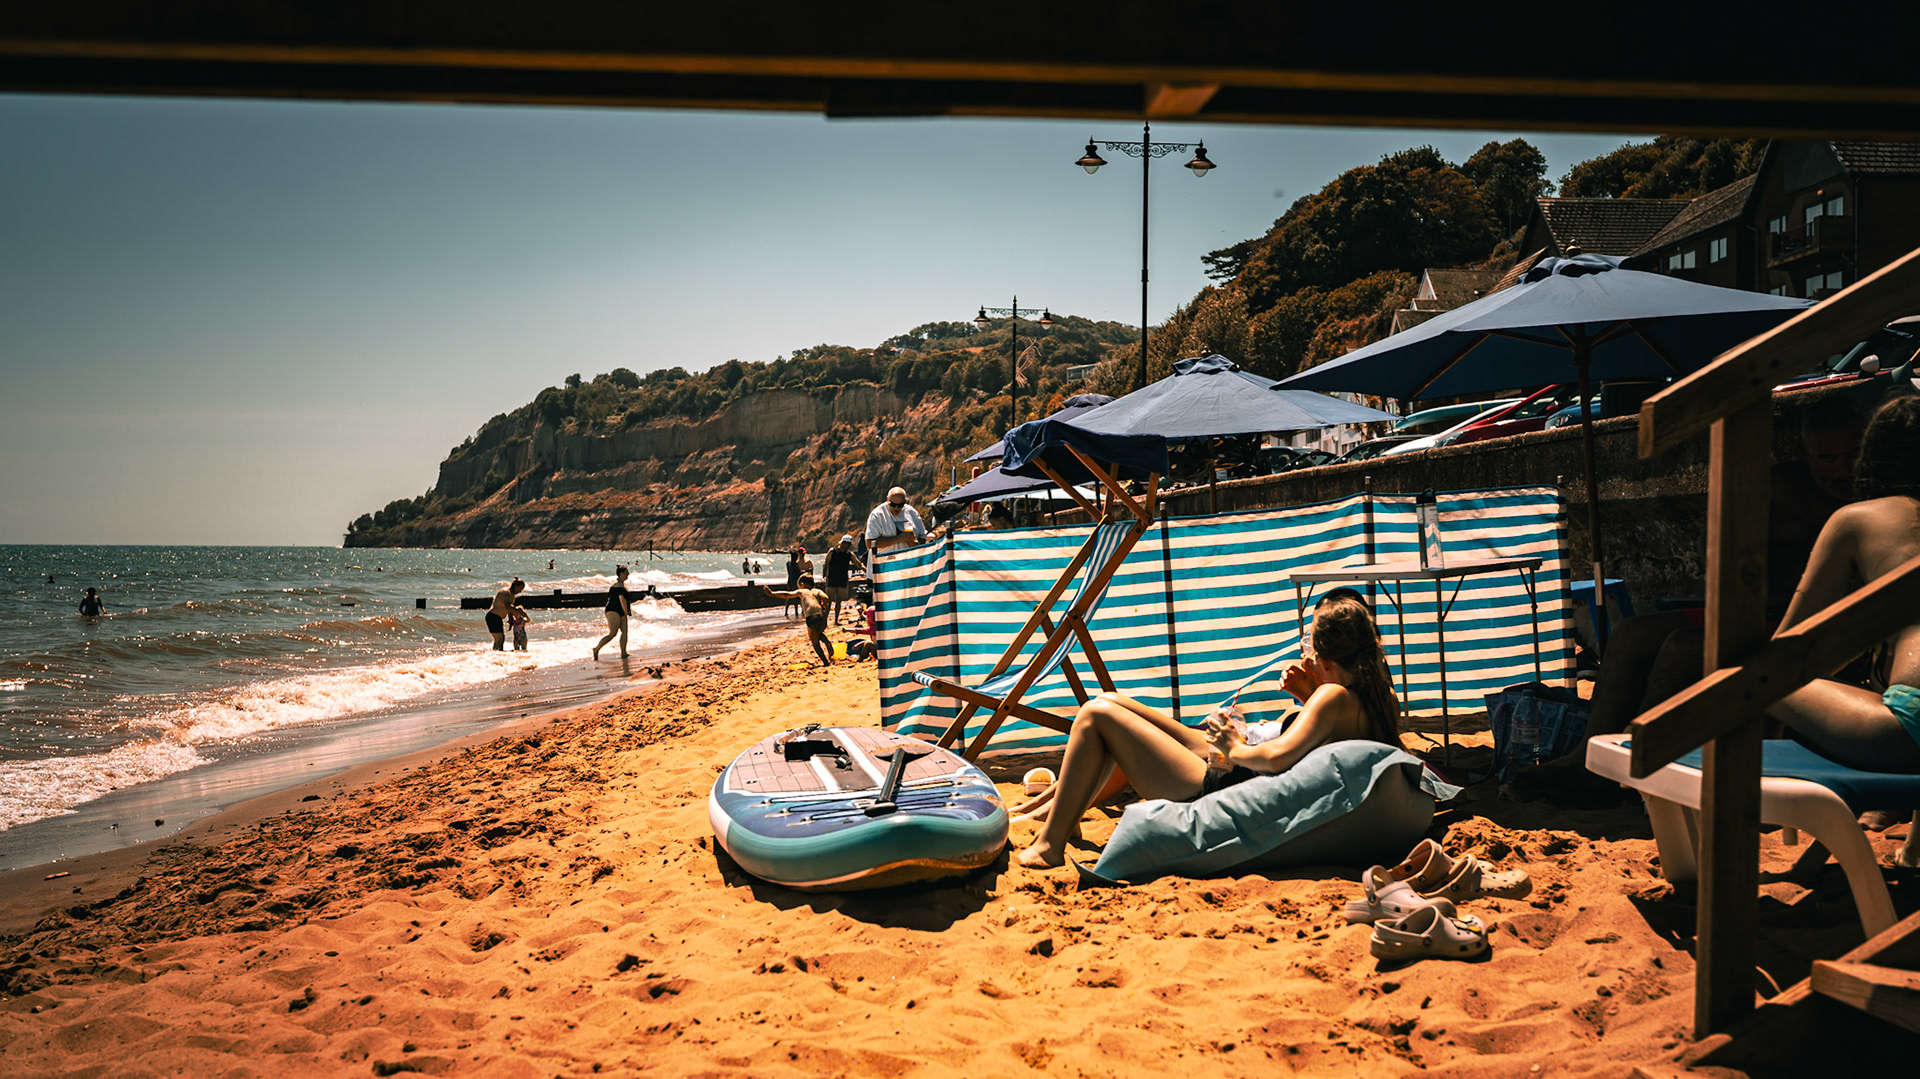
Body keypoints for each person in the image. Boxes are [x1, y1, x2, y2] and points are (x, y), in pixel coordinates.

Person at [1511, 395, 1871, 800]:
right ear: (1807, 455)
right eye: (1828, 459)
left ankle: (1644, 762)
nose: (1843, 469)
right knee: (1631, 633)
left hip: (1817, 630)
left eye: (1852, 455)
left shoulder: (1877, 495)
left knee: (1683, 647)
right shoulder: (1780, 487)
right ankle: (1589, 760)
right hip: (1758, 611)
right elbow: (1711, 551)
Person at [1016, 592, 1402, 868]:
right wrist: (1307, 696)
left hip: (1224, 787)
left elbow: (1274, 758)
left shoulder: (1332, 696)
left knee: (1095, 714)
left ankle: (1050, 844)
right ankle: (1059, 817)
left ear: (1325, 655)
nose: (1305, 653)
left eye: (1309, 643)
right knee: (1114, 701)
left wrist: (1232, 744)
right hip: (1237, 776)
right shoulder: (1375, 696)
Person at [1765, 394, 1920, 773]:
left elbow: (1788, 649)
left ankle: (1767, 784)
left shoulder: (1855, 518)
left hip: (1908, 728)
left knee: (1759, 677)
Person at [763, 574, 834, 666]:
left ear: (802, 584)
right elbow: (826, 598)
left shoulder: (802, 591)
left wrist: (772, 593)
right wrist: (823, 606)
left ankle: (825, 661)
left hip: (811, 617)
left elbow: (787, 594)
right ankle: (827, 643)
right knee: (818, 633)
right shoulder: (817, 591)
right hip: (822, 616)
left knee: (814, 641)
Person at [865, 486, 926, 555]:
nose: (896, 508)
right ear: (888, 500)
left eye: (900, 505)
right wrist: (898, 539)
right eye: (893, 504)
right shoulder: (878, 515)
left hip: (909, 560)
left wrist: (915, 543)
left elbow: (923, 537)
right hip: (886, 561)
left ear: (905, 501)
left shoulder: (912, 513)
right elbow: (870, 544)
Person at [593, 565, 633, 660]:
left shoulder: (623, 585)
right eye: (626, 572)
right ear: (621, 573)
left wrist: (626, 611)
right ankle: (596, 649)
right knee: (613, 633)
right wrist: (626, 611)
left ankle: (624, 652)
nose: (628, 574)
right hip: (612, 610)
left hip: (621, 610)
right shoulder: (618, 587)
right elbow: (621, 599)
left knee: (625, 632)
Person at [824, 534, 864, 624]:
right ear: (843, 543)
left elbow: (858, 564)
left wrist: (866, 569)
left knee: (838, 601)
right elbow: (827, 563)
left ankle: (835, 620)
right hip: (832, 578)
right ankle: (825, 620)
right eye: (848, 544)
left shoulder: (849, 554)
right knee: (828, 600)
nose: (848, 546)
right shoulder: (832, 551)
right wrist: (824, 575)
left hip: (842, 579)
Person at [486, 578, 525, 651]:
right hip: (493, 616)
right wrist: (521, 613)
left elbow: (509, 610)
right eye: (520, 589)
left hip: (497, 618)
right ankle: (496, 654)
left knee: (500, 638)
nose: (520, 591)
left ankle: (497, 653)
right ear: (516, 586)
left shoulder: (512, 595)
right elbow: (508, 606)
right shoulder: (505, 592)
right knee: (499, 639)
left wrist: (511, 620)